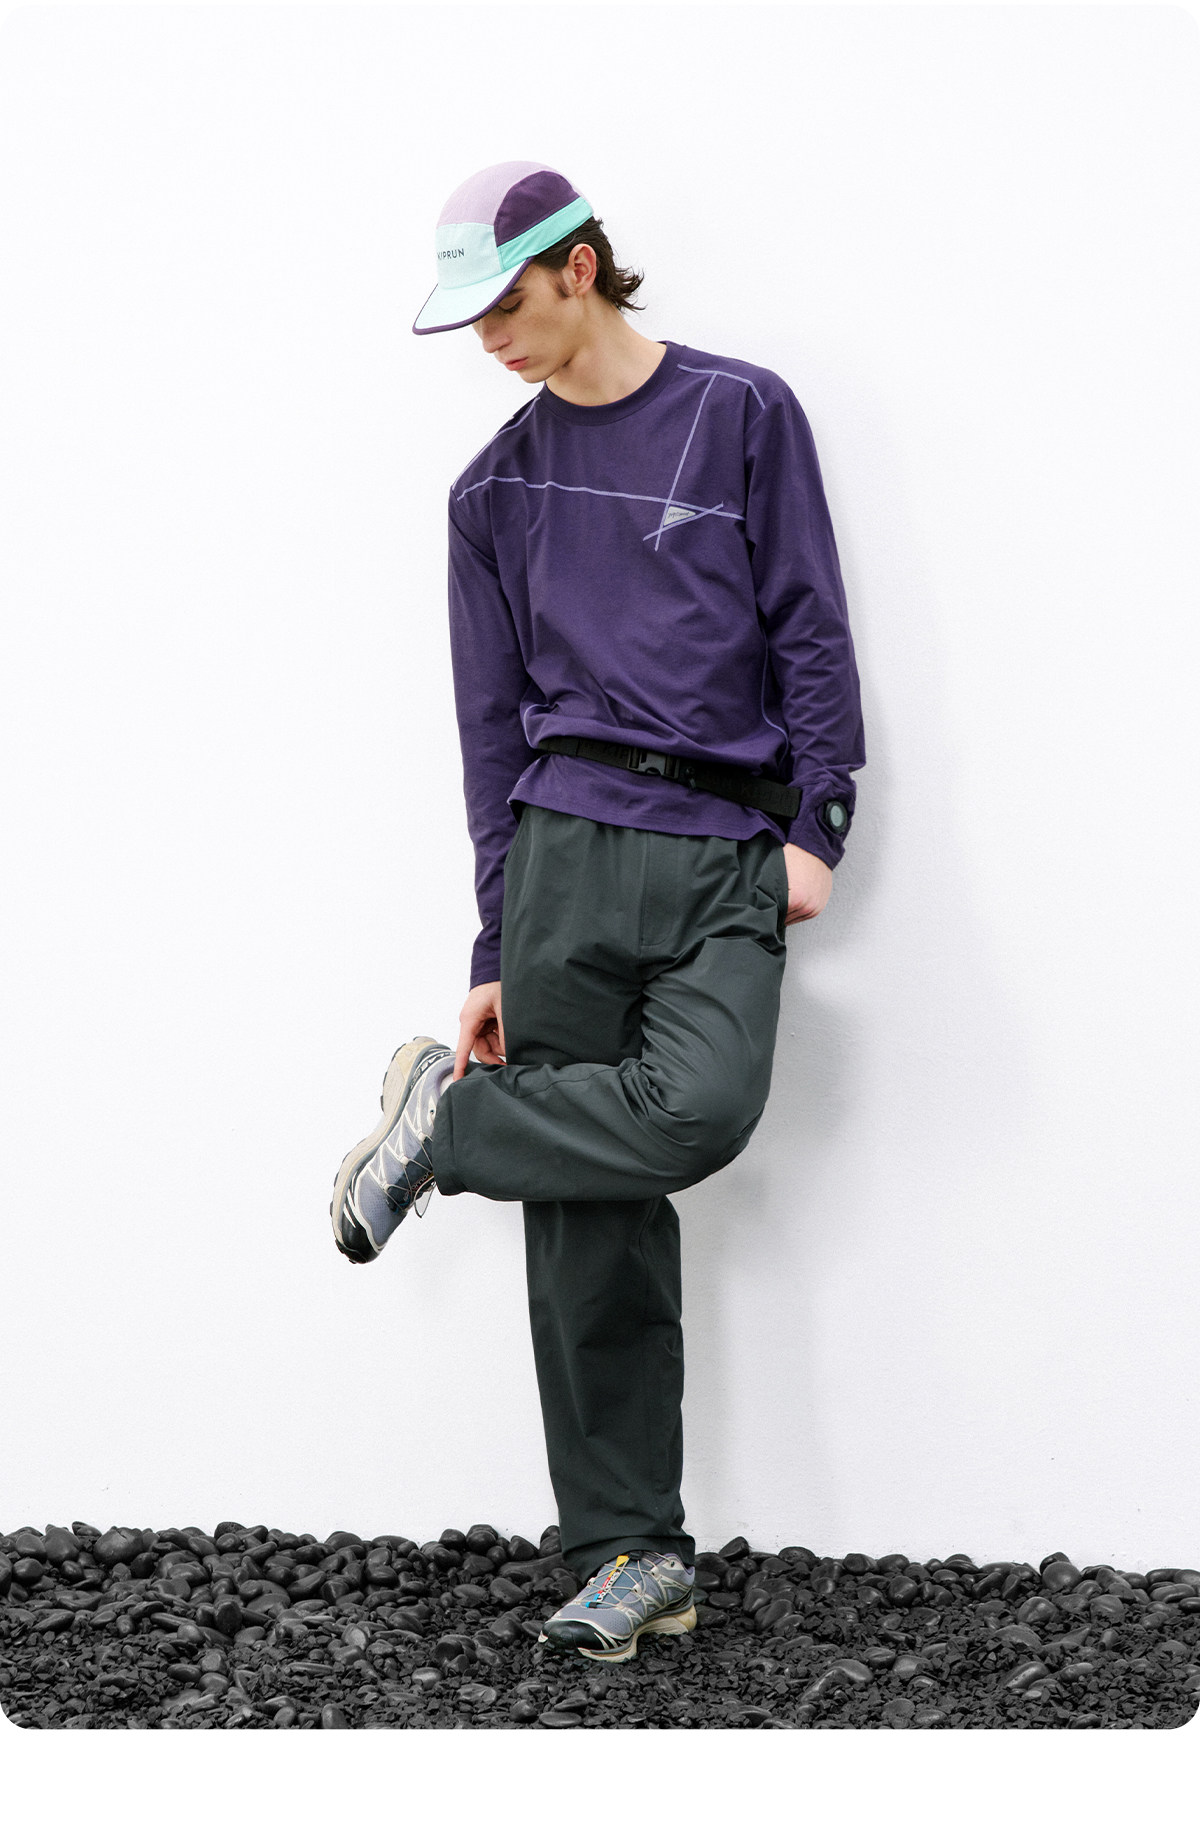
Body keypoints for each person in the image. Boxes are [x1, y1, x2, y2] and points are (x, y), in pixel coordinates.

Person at [330, 160, 865, 1664]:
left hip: (719, 847)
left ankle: (448, 1131)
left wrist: (819, 820)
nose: (491, 340)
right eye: (470, 320)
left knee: (701, 1111)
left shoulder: (740, 413)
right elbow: (487, 735)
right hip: (563, 846)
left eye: (505, 304)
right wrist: (497, 943)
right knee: (588, 1227)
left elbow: (809, 623)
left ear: (580, 266)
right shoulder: (491, 493)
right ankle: (631, 1555)